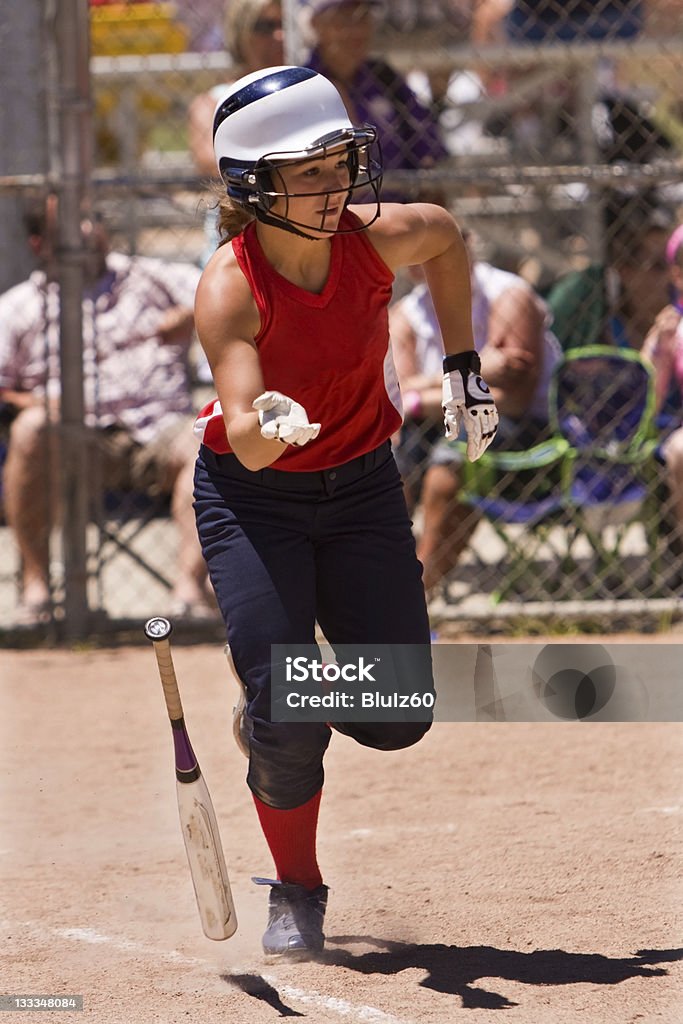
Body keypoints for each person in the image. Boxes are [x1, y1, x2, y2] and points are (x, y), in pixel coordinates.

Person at [191, 64, 498, 957]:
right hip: (255, 502)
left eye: (339, 163)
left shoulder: (373, 239)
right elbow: (243, 438)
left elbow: (444, 237)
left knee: (398, 714)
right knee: (292, 717)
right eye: (310, 172)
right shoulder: (231, 287)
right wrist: (269, 425)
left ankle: (270, 706)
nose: (335, 188)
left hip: (361, 488)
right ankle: (297, 886)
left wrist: (461, 366)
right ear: (254, 187)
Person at [0, 198, 214, 625]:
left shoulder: (150, 277)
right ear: (40, 243)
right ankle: (37, 591)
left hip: (160, 430)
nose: (85, 230)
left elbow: (231, 291)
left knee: (204, 438)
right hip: (78, 440)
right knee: (31, 427)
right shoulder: (19, 306)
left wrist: (196, 313)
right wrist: (36, 404)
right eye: (70, 224)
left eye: (91, 218)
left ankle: (189, 594)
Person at [395, 242, 562, 594]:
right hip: (433, 424)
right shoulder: (406, 314)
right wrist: (476, 368)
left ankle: (417, 597)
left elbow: (514, 398)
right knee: (386, 461)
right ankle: (385, 582)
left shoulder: (508, 295)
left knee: (452, 463)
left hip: (523, 434)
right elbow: (399, 395)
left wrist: (422, 397)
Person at [302, 0, 447, 199]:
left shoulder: (383, 77)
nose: (355, 31)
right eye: (343, 19)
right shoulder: (303, 85)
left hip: (401, 209)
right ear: (315, 23)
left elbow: (427, 142)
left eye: (362, 17)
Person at [188, 0, 285, 266]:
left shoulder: (310, 89)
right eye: (265, 27)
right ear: (240, 33)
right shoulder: (213, 101)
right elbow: (210, 162)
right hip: (240, 227)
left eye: (284, 24)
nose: (280, 35)